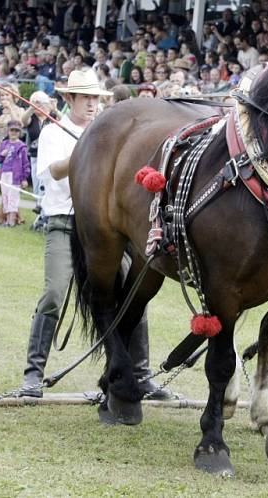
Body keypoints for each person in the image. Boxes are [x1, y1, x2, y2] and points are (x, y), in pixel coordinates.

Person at [19, 70, 177, 401]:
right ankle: (34, 372)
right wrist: (89, 153)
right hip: (67, 221)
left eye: (96, 98)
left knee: (136, 292)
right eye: (85, 98)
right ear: (70, 99)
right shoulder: (52, 132)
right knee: (54, 293)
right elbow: (54, 173)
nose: (92, 104)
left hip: (112, 225)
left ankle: (140, 372)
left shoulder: (111, 132)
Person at [0, 120, 30, 227]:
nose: (14, 132)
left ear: (20, 132)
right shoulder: (4, 144)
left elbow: (25, 163)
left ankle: (11, 221)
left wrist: (24, 178)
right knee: (5, 196)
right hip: (4, 173)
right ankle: (6, 219)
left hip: (15, 175)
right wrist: (2, 154)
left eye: (16, 131)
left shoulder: (22, 147)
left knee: (13, 197)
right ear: (8, 131)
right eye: (12, 130)